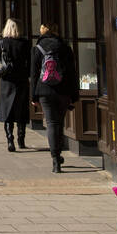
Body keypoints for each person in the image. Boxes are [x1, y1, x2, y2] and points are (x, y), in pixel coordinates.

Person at [31, 21, 79, 172]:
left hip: (44, 90)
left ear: (43, 32)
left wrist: (34, 96)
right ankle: (58, 154)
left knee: (51, 123)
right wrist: (74, 95)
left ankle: (55, 160)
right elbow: (72, 72)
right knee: (59, 123)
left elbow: (33, 74)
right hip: (63, 90)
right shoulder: (65, 48)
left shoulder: (37, 48)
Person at [0, 18, 31, 152]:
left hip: (7, 81)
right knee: (21, 111)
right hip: (21, 81)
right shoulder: (25, 43)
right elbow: (30, 64)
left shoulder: (1, 42)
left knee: (7, 112)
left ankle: (10, 139)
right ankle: (21, 139)